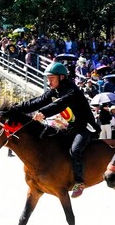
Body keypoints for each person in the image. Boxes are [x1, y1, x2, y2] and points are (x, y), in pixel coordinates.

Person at [14, 61, 100, 198]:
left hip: (86, 128)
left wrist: (43, 112)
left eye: (52, 79)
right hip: (71, 128)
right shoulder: (55, 91)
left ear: (62, 77)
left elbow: (61, 104)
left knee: (75, 150)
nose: (49, 82)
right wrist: (15, 108)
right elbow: (36, 101)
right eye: (48, 79)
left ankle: (79, 182)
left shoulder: (72, 91)